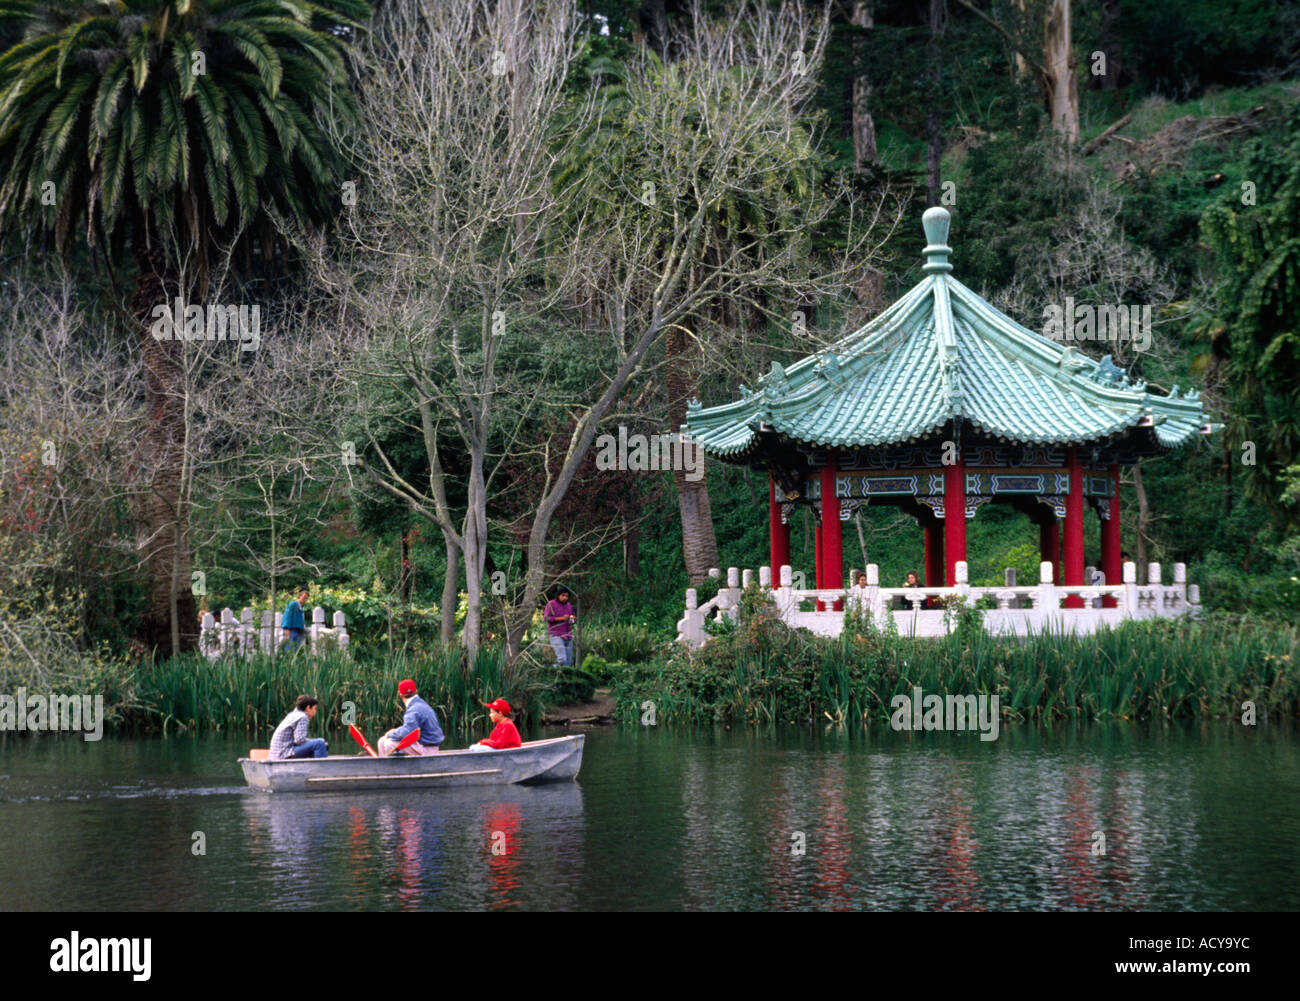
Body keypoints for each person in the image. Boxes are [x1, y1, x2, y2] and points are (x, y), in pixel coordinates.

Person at [378, 679, 445, 756]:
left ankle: (392, 767)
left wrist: (389, 734)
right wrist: (395, 731)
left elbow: (406, 732)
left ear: (400, 694)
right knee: (381, 741)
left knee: (389, 743)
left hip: (427, 749)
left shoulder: (413, 709)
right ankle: (385, 765)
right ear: (416, 691)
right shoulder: (421, 704)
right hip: (428, 746)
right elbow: (410, 728)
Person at [270, 695, 327, 759]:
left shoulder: (293, 714)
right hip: (284, 753)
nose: (315, 711)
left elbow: (297, 740)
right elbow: (299, 740)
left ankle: (312, 766)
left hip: (277, 753)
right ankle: (321, 768)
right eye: (315, 708)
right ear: (308, 708)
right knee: (320, 743)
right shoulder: (303, 717)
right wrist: (317, 741)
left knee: (320, 743)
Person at [543, 587, 576, 666]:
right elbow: (546, 618)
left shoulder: (568, 605)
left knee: (568, 663)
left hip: (568, 635)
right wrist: (561, 618)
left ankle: (563, 678)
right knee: (562, 660)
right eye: (563, 595)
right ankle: (551, 672)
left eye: (567, 596)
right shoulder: (551, 604)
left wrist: (573, 619)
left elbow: (572, 620)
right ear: (558, 595)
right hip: (556, 634)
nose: (565, 597)